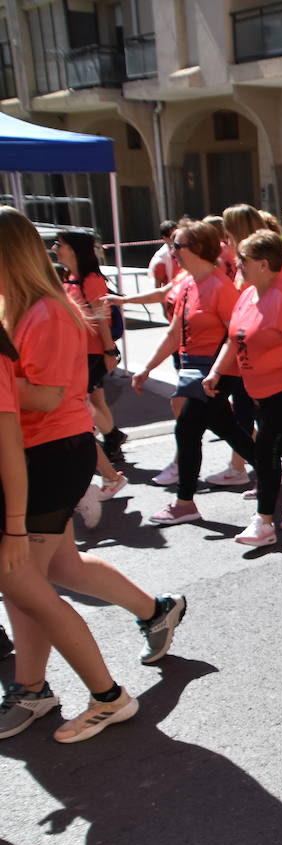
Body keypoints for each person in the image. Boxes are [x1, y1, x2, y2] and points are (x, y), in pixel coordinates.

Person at [0, 206, 186, 744]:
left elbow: (53, 395)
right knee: (59, 566)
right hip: (45, 450)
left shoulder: (48, 312)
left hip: (51, 452)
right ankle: (156, 610)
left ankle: (49, 690)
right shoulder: (22, 306)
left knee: (25, 584)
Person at [205, 230, 282, 547]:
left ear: (262, 264)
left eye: (243, 260)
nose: (237, 265)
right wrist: (217, 371)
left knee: (267, 451)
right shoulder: (248, 294)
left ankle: (264, 522)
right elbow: (235, 338)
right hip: (262, 388)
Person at [134, 221, 259, 526]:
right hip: (194, 371)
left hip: (219, 372)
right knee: (227, 428)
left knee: (187, 429)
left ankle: (184, 502)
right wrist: (146, 368)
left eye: (178, 246)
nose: (172, 251)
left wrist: (219, 373)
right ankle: (270, 470)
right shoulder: (188, 283)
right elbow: (174, 333)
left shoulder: (221, 288)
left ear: (199, 248)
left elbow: (239, 335)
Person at [52, 232, 126, 482]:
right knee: (95, 398)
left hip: (92, 352)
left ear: (73, 249)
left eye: (59, 244)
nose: (54, 248)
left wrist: (109, 351)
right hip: (76, 352)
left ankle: (112, 436)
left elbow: (102, 319)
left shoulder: (91, 279)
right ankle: (113, 437)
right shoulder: (68, 278)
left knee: (79, 398)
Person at [149, 220, 178, 287]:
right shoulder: (161, 258)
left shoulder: (186, 250)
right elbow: (158, 285)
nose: (176, 238)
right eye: (172, 236)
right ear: (165, 238)